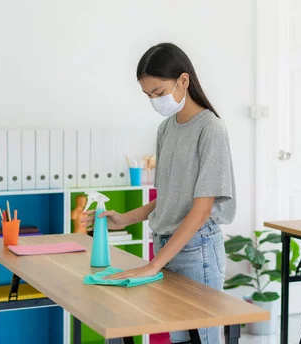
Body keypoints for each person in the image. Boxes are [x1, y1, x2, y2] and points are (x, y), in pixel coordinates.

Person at [82, 43, 236, 344]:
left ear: (183, 80)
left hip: (197, 250)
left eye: (158, 92)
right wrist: (124, 219)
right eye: (148, 95)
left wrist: (152, 264)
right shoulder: (166, 129)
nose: (155, 100)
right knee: (181, 338)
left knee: (200, 339)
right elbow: (169, 195)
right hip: (167, 244)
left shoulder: (210, 129)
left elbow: (201, 208)